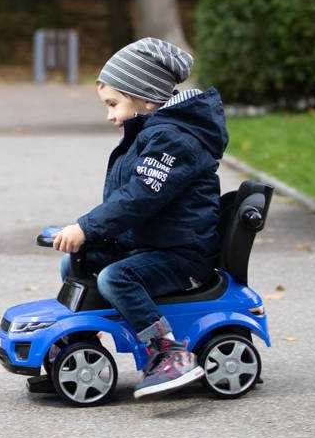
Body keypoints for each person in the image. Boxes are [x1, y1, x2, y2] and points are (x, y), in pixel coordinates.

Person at [52, 37, 228, 399]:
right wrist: (91, 237)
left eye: (114, 104)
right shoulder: (151, 132)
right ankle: (78, 341)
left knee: (118, 277)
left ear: (146, 99)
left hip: (182, 255)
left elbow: (139, 198)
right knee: (76, 265)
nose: (110, 115)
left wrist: (87, 227)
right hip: (152, 245)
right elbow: (129, 200)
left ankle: (166, 352)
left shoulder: (174, 140)